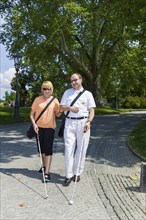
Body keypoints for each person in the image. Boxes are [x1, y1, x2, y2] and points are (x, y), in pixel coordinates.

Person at [60, 73, 96, 186]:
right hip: (69, 122)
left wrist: (89, 122)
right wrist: (70, 108)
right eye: (71, 81)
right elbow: (60, 108)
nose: (73, 82)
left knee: (81, 149)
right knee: (68, 149)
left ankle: (77, 172)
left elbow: (92, 111)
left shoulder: (88, 94)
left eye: (75, 80)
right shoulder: (67, 92)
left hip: (83, 123)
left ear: (81, 80)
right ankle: (68, 175)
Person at [30, 81, 61, 182]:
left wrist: (62, 109)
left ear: (51, 90)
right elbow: (31, 114)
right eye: (44, 89)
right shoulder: (37, 100)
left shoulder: (55, 100)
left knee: (48, 150)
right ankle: (43, 166)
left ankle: (47, 172)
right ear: (42, 90)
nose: (46, 91)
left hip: (50, 128)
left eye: (48, 89)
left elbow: (58, 115)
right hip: (38, 128)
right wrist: (34, 124)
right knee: (41, 150)